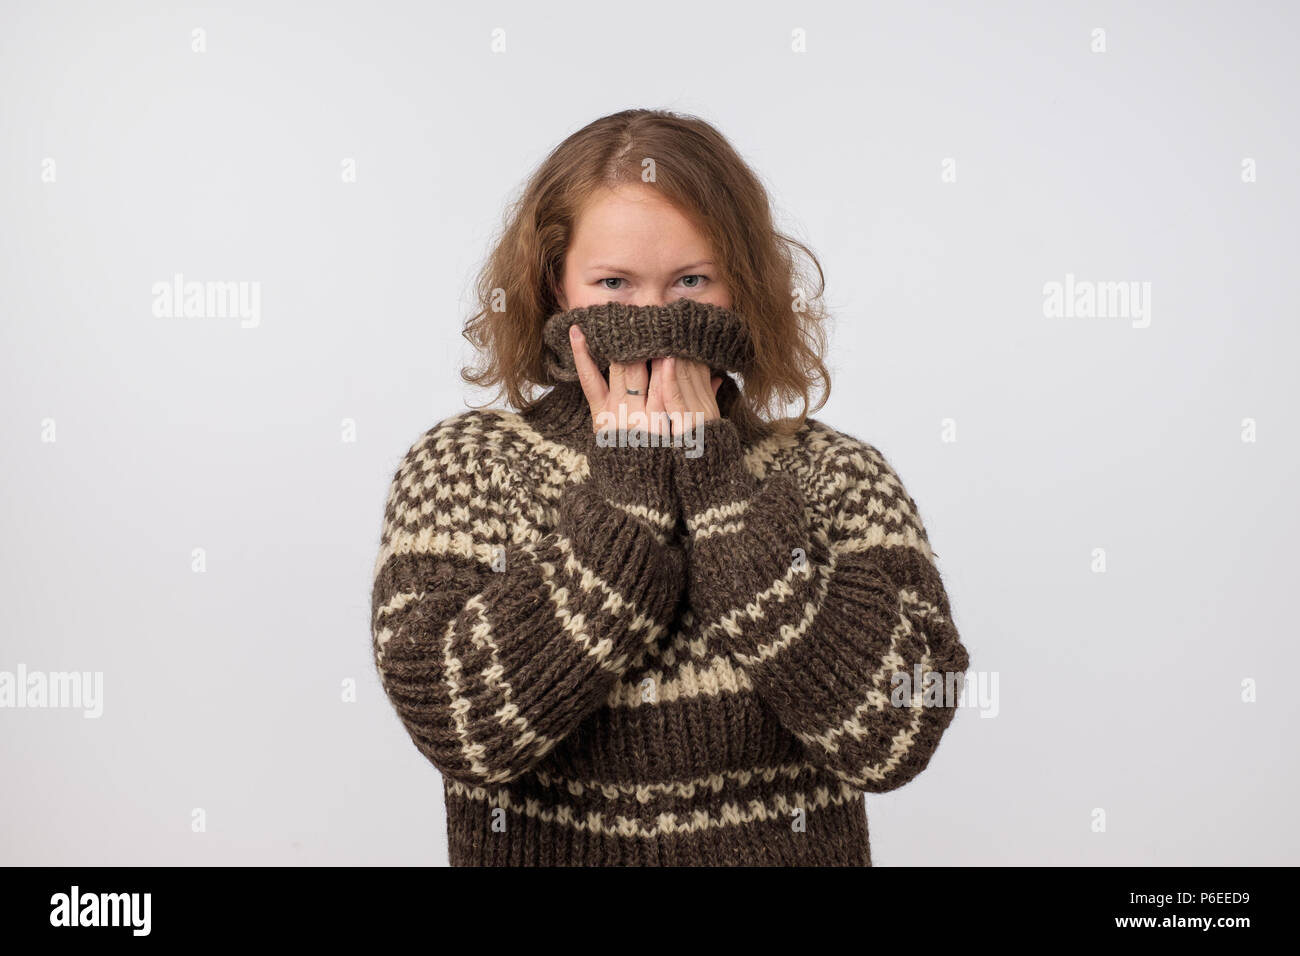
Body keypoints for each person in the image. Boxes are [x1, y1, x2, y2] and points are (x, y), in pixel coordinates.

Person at [369, 108, 971, 866]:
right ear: (557, 286)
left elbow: (899, 732)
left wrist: (723, 491)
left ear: (742, 287)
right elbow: (464, 730)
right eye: (614, 284)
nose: (654, 320)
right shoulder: (469, 467)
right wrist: (626, 495)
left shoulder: (835, 474)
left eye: (691, 282)